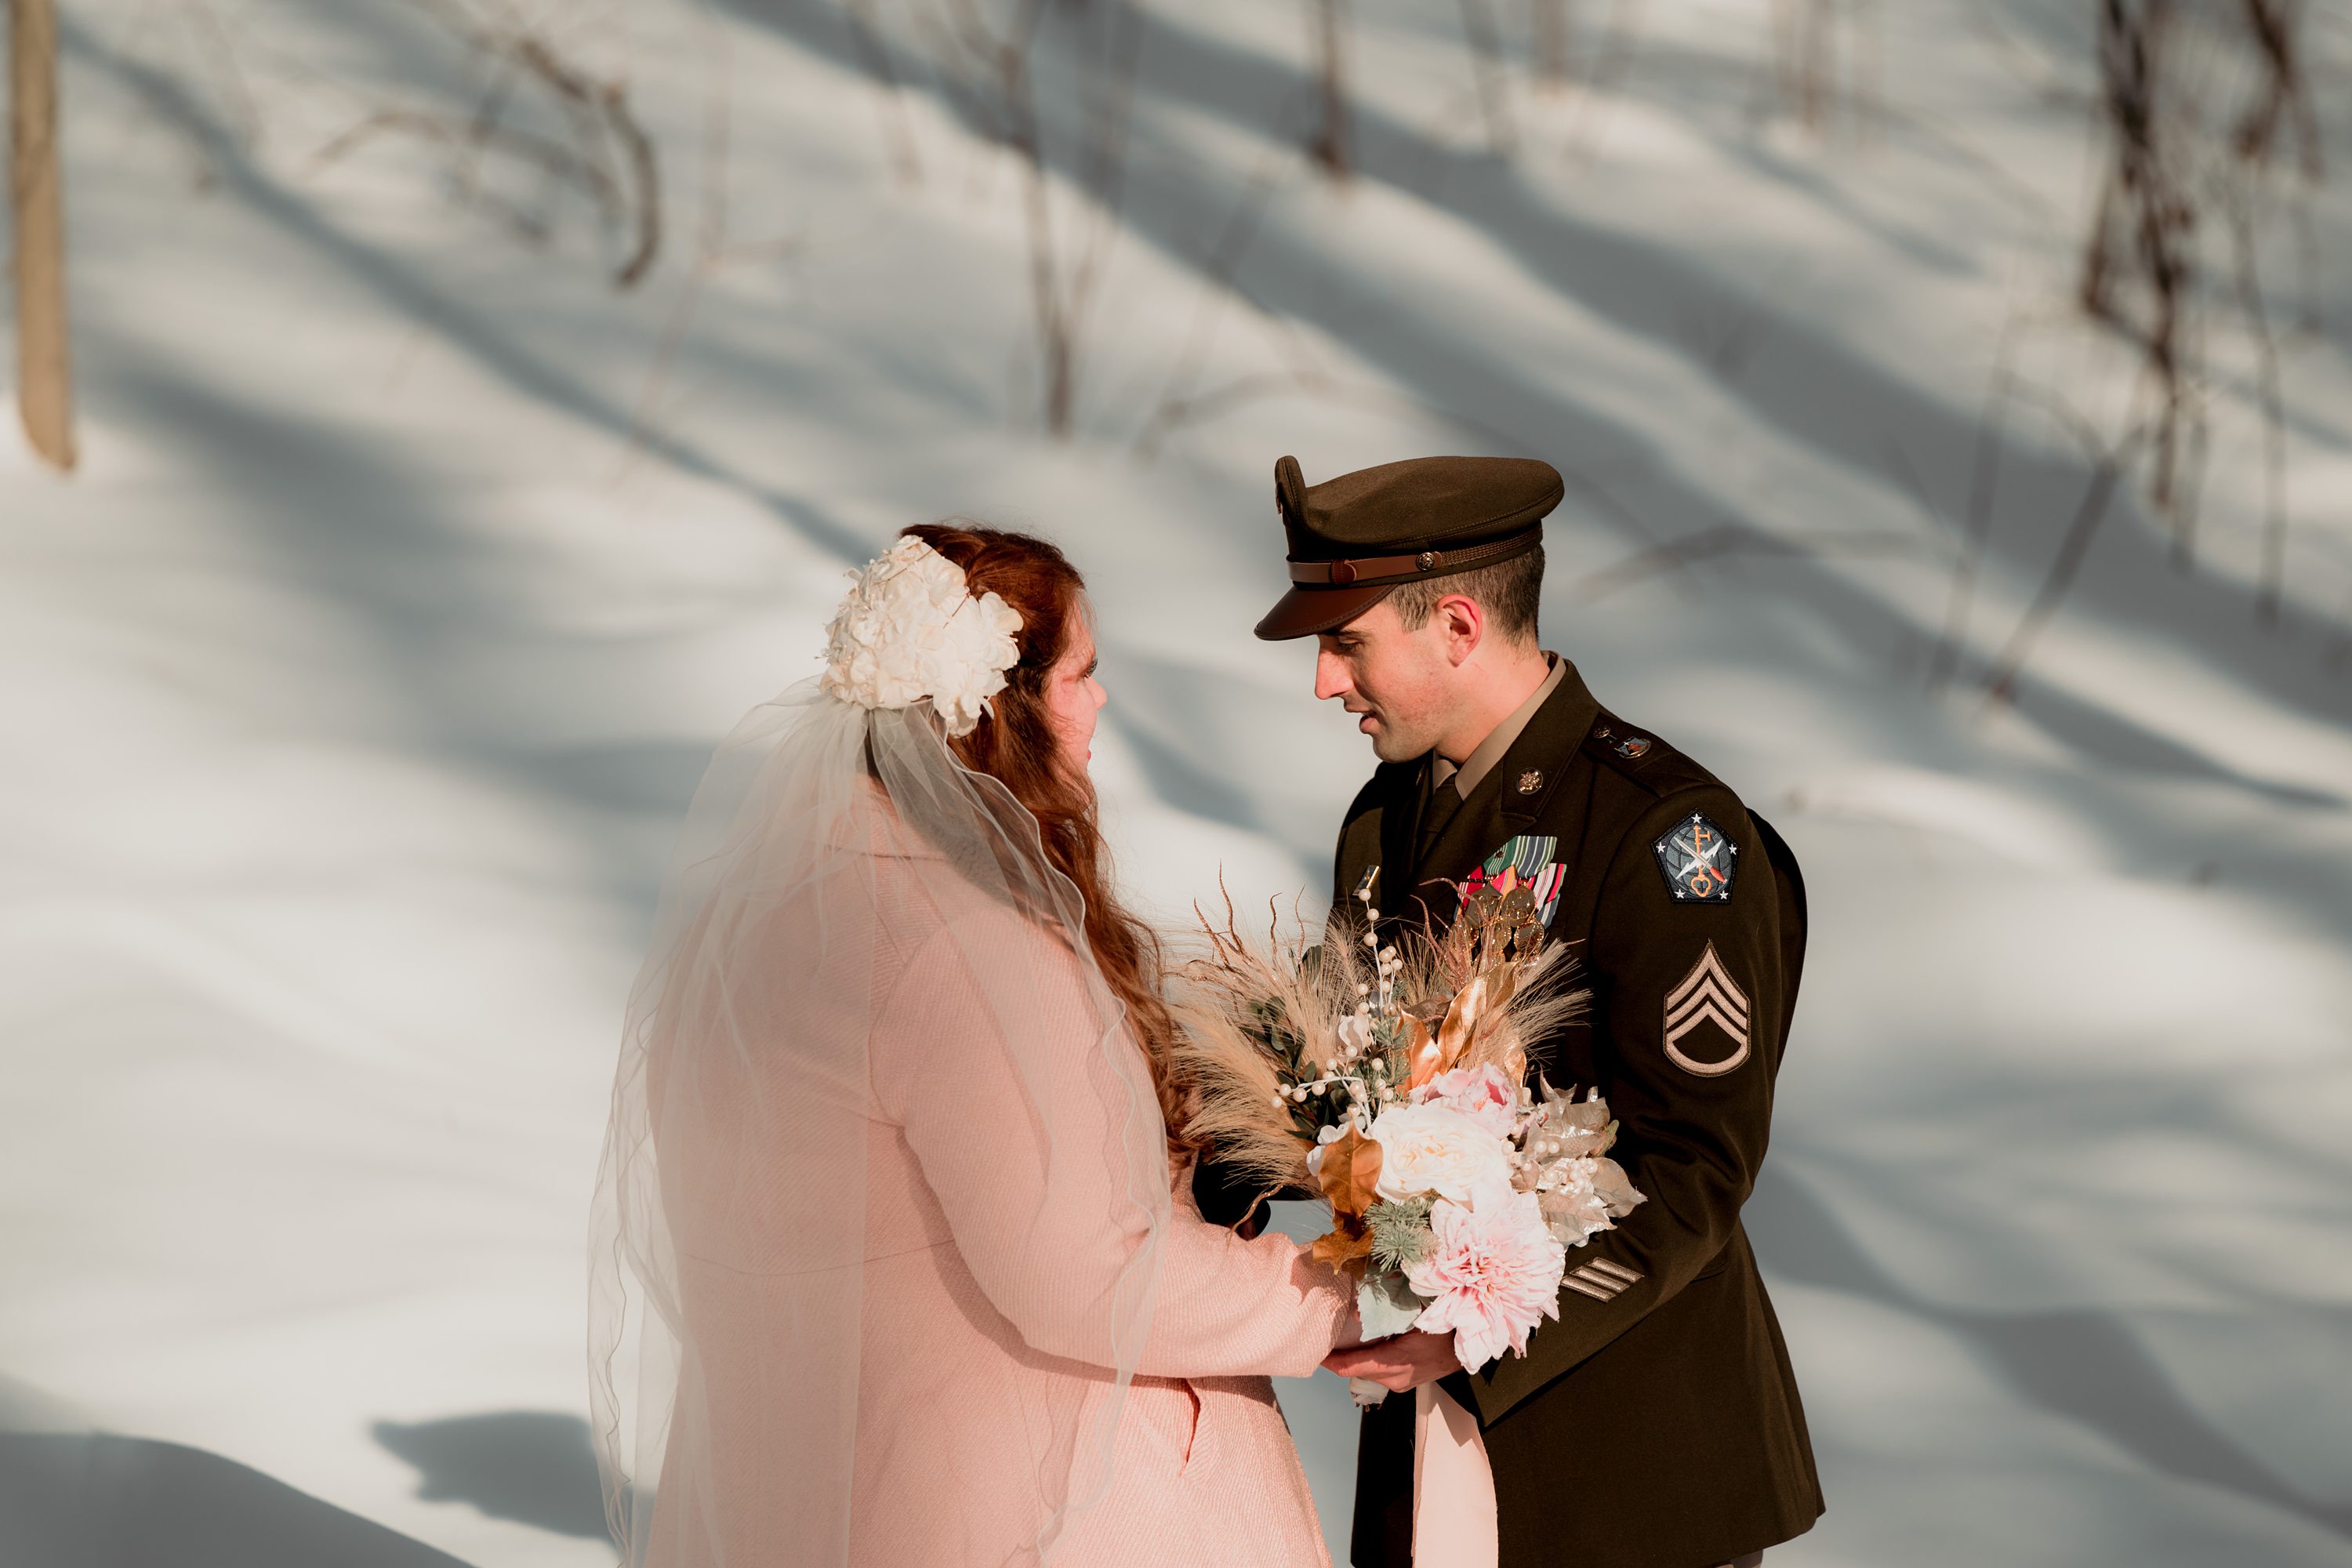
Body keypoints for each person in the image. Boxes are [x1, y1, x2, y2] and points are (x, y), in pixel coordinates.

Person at [588, 523, 1359, 1567]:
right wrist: (1332, 1300)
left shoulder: (773, 920)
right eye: (1080, 676)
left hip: (836, 1493)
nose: (1095, 707)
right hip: (1036, 1506)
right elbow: (1084, 1276)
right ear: (1002, 703)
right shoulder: (968, 948)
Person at [1210, 455, 1824, 1568]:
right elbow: (1345, 1076)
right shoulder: (1388, 814)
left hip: (1628, 1460)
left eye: (1346, 642)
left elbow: (1694, 1167)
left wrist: (1478, 1332)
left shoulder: (1668, 836)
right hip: (1432, 1443)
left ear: (1454, 625)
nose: (1324, 683)